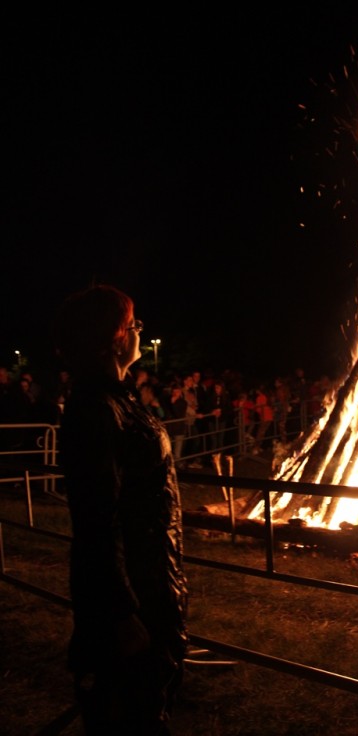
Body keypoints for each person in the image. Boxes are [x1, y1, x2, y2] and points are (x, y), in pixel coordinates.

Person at [54, 284, 188, 736]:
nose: (139, 333)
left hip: (153, 579)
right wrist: (119, 612)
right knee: (128, 714)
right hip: (132, 595)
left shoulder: (118, 399)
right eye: (134, 326)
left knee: (150, 703)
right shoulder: (95, 409)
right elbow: (96, 519)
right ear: (115, 338)